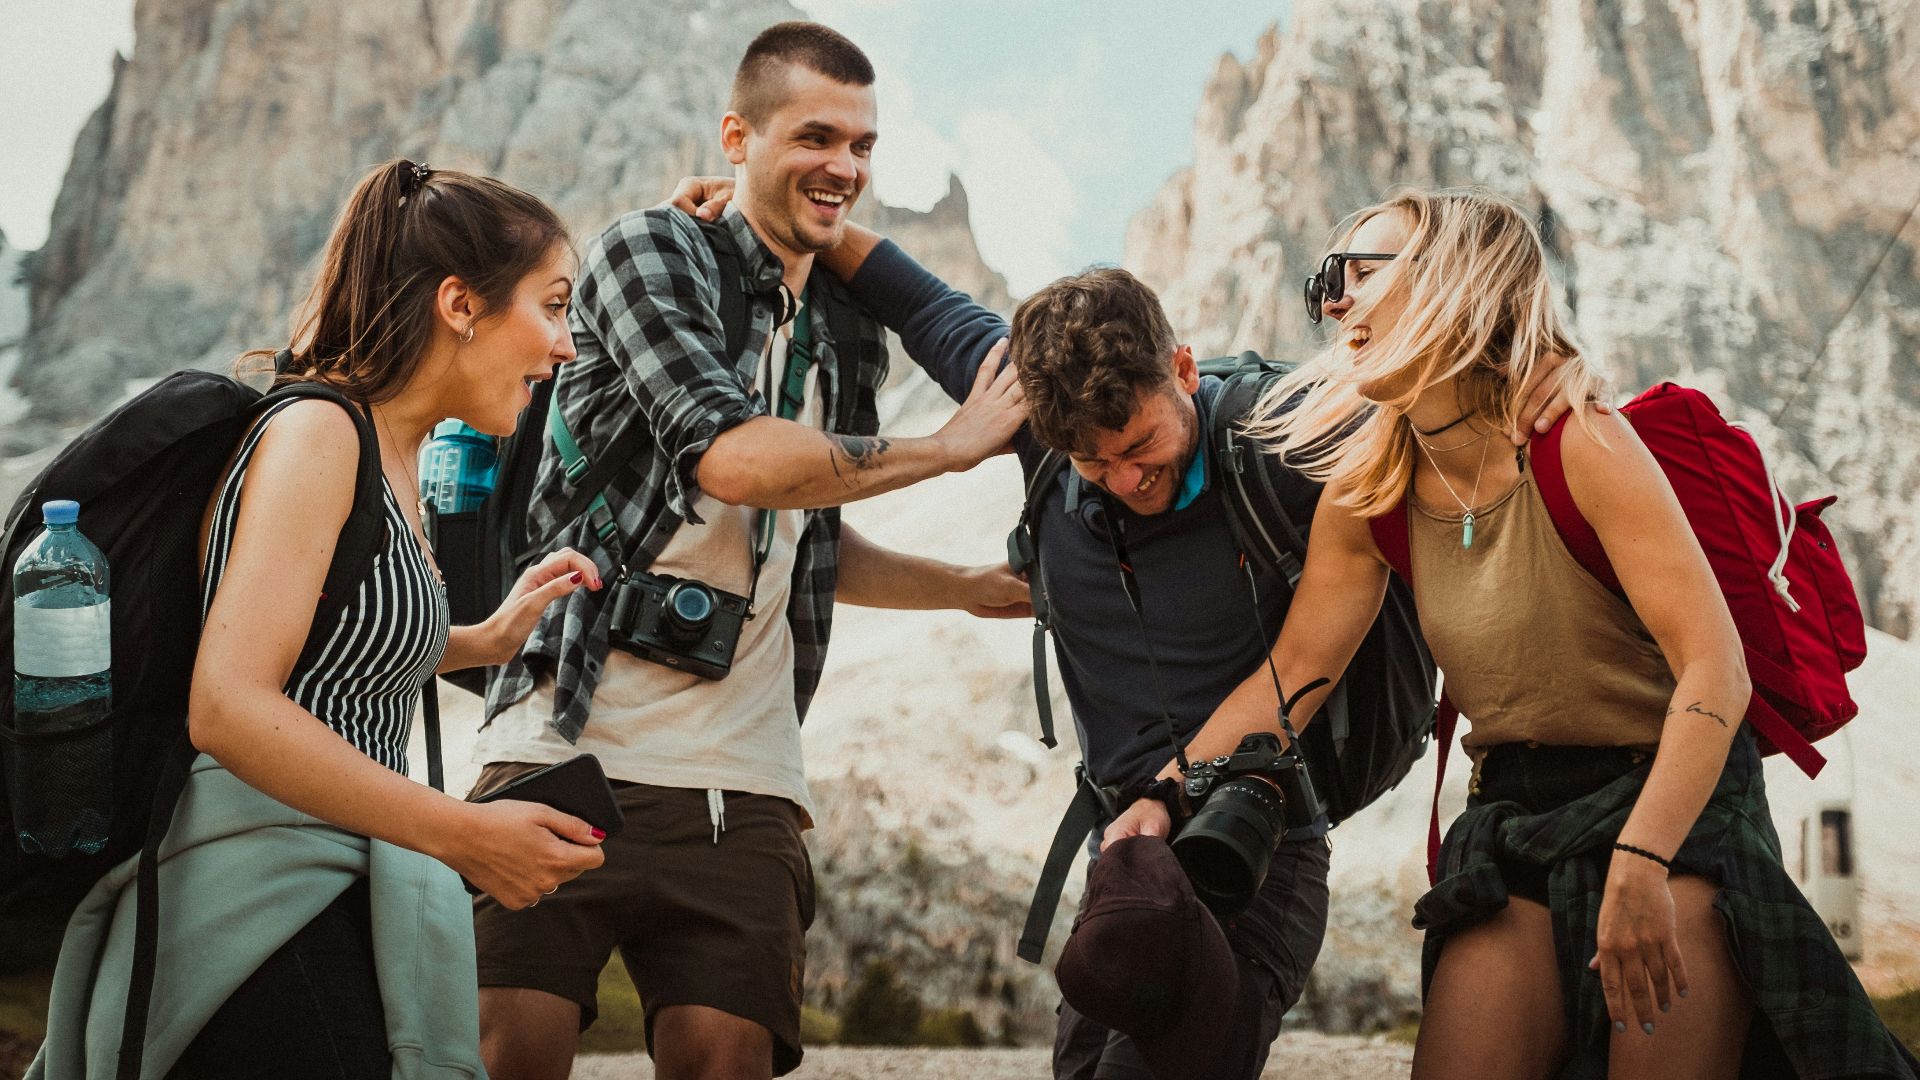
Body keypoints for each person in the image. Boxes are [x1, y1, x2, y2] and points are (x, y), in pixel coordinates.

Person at [666, 173, 1580, 1079]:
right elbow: (915, 297)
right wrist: (775, 206)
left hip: (1255, 850)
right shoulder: (1039, 420)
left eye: (1142, 446)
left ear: (1183, 369)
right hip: (1129, 862)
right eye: (1090, 465)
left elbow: (1443, 392)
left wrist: (1548, 366)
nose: (1125, 481)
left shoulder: (1284, 437)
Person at [1237, 187, 1919, 1079]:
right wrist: (1159, 796)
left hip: (1671, 803)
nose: (1333, 300)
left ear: (1456, 280)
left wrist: (1644, 857)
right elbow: (1294, 671)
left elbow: (1717, 671)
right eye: (1329, 277)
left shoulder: (1579, 440)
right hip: (1514, 813)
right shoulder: (1368, 489)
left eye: (1362, 271)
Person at [470, 22, 1029, 1080]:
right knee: (506, 1058)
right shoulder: (650, 251)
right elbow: (732, 461)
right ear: (737, 133)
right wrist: (945, 452)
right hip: (562, 743)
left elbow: (803, 530)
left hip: (745, 778)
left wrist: (962, 588)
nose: (847, 167)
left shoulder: (849, 327)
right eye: (816, 136)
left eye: (864, 146)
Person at [30, 159, 609, 1080]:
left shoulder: (392, 453)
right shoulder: (319, 432)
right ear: (460, 304)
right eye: (552, 305)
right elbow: (228, 705)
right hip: (255, 905)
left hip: (329, 881)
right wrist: (462, 834)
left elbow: (323, 647)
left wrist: (481, 637)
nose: (566, 345)